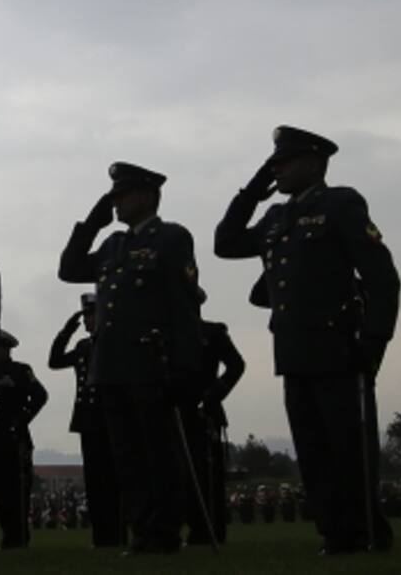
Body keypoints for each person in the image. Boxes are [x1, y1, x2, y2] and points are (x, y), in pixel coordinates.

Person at [214, 125, 400, 554]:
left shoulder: (340, 204)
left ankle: (367, 532)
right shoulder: (276, 217)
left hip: (339, 347)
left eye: (285, 162)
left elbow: (381, 277)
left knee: (349, 448)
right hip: (293, 350)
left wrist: (374, 341)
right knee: (313, 451)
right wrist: (255, 189)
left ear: (314, 163)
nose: (277, 170)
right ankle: (335, 533)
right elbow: (224, 243)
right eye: (273, 164)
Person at [58, 163, 203, 554]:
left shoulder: (170, 238)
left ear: (147, 196)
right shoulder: (112, 245)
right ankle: (142, 531)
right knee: (128, 458)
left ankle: (165, 531)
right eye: (113, 197)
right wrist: (93, 221)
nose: (116, 203)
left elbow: (184, 305)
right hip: (112, 366)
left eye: (122, 196)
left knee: (158, 454)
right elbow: (69, 269)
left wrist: (186, 365)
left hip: (150, 363)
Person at [48, 293, 124, 548]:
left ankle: (117, 533)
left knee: (113, 479)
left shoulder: (114, 342)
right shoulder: (83, 346)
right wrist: (65, 332)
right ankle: (101, 536)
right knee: (94, 482)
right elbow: (55, 361)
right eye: (86, 316)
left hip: (110, 417)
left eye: (93, 315)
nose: (89, 321)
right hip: (87, 419)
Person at [183, 290, 245, 546]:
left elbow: (236, 365)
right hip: (175, 410)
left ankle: (211, 530)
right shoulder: (166, 334)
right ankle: (192, 528)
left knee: (207, 476)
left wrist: (214, 394)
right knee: (181, 477)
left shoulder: (212, 333)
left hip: (204, 411)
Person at [0, 330, 48, 549]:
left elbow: (40, 395)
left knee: (17, 491)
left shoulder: (20, 370)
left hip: (15, 440)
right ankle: (6, 536)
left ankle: (18, 537)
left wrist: (20, 421)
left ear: (6, 349)